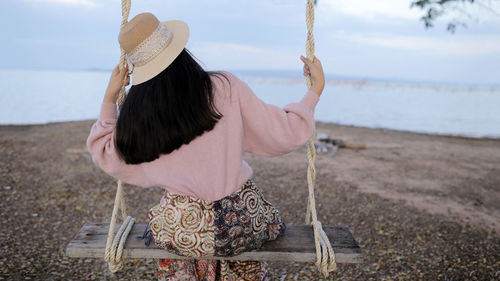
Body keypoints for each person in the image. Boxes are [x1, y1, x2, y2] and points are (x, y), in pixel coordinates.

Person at [86, 12, 325, 281]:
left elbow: (105, 152)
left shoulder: (141, 114)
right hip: (241, 224)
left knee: (167, 236)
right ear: (179, 49)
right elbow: (283, 133)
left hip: (182, 230)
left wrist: (109, 97)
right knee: (262, 223)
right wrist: (314, 91)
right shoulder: (225, 87)